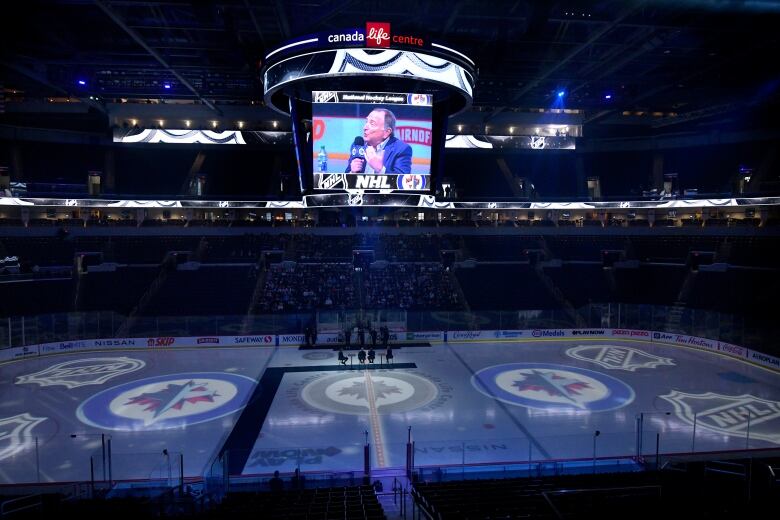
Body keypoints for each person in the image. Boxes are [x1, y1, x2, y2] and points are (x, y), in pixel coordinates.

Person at [346, 108, 412, 175]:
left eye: (372, 123)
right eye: (366, 122)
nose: (365, 127)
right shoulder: (358, 145)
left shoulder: (401, 149)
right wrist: (352, 173)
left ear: (386, 132)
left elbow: (402, 181)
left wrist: (380, 169)